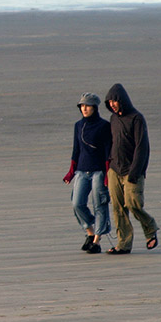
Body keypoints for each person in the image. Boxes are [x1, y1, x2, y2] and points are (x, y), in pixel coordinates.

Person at [105, 83, 160, 254]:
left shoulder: (137, 118)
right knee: (118, 207)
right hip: (115, 169)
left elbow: (142, 147)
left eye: (115, 101)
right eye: (110, 102)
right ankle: (124, 244)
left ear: (123, 100)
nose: (113, 104)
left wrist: (135, 172)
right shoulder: (113, 119)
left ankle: (150, 228)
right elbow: (111, 142)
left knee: (133, 204)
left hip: (132, 170)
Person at [63, 92, 112, 254]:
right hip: (82, 171)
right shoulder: (78, 125)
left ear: (95, 107)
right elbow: (76, 149)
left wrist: (107, 175)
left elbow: (107, 151)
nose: (84, 109)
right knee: (77, 203)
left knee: (100, 205)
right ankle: (90, 232)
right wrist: (71, 172)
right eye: (82, 106)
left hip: (99, 171)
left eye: (87, 106)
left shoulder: (104, 126)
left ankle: (97, 241)